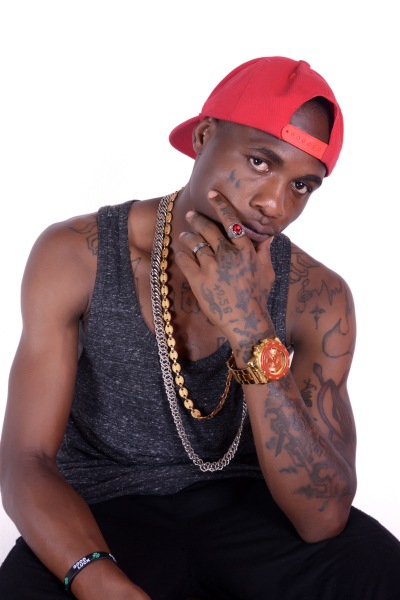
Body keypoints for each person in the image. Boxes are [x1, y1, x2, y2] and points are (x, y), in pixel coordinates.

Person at [0, 56, 399, 600]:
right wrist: (101, 582)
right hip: (102, 514)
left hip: (252, 510)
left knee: (381, 573)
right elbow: (26, 461)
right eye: (259, 161)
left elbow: (322, 518)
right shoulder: (77, 255)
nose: (274, 205)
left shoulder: (318, 297)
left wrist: (249, 325)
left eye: (302, 185)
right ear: (204, 137)